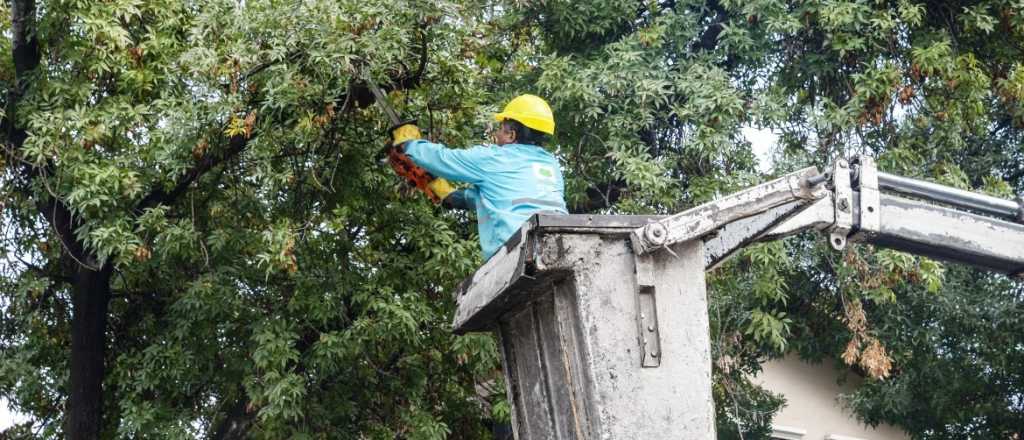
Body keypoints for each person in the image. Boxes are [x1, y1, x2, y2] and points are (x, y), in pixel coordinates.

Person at [400, 94, 568, 259]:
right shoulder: (551, 164)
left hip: (518, 248)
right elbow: (511, 198)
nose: (497, 133)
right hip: (561, 241)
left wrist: (407, 144)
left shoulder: (494, 158)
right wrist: (452, 196)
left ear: (511, 135)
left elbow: (443, 159)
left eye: (500, 129)